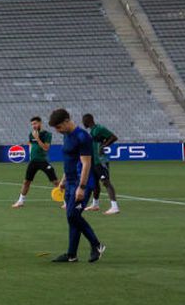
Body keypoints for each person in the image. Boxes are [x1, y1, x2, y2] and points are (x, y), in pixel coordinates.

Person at [48, 108, 105, 263]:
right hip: (70, 182)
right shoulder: (67, 136)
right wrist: (63, 180)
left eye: (59, 127)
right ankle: (71, 255)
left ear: (67, 121)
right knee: (71, 218)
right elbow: (71, 160)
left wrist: (82, 187)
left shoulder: (82, 137)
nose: (57, 131)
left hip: (82, 183)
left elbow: (86, 164)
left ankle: (97, 245)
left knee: (73, 215)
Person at [12, 116, 61, 208]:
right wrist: (31, 154)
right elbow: (30, 144)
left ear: (40, 123)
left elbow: (46, 148)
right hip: (33, 162)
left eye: (35, 123)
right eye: (32, 124)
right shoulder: (31, 134)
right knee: (26, 182)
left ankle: (67, 201)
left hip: (43, 161)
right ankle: (20, 201)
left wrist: (37, 138)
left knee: (55, 182)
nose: (33, 126)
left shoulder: (47, 134)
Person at [82, 114, 120, 214]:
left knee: (106, 182)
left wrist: (103, 146)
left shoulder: (99, 128)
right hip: (94, 161)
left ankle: (114, 207)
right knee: (94, 183)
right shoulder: (93, 130)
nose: (83, 124)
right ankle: (95, 204)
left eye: (84, 121)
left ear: (88, 120)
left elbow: (113, 137)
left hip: (100, 160)